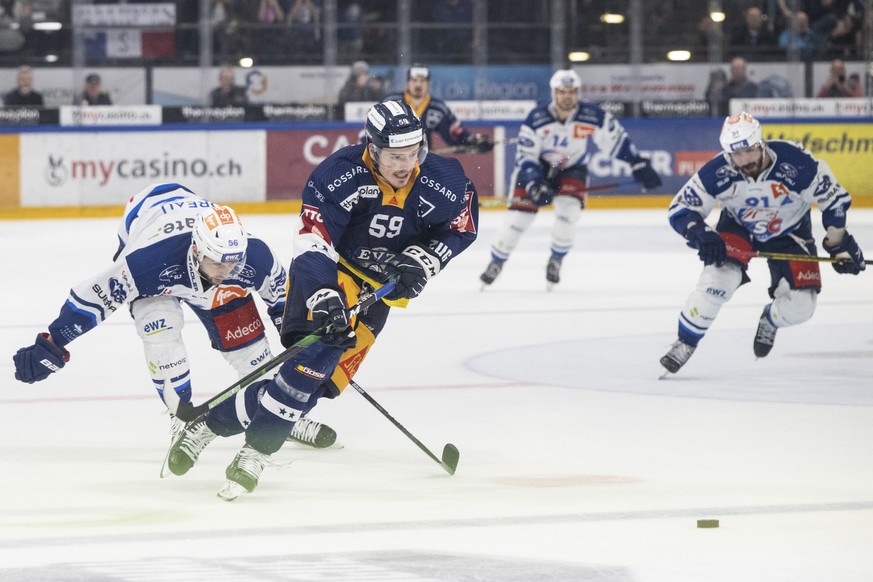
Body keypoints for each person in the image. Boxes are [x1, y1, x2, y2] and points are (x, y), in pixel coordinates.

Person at [165, 99, 480, 500]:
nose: (406, 165)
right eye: (395, 156)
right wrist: (326, 296)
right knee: (309, 368)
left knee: (317, 388)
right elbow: (313, 243)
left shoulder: (444, 177)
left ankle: (207, 426)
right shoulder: (336, 175)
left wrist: (426, 258)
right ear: (373, 147)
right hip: (331, 276)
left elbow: (462, 226)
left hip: (379, 293)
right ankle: (255, 453)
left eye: (413, 153)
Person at [12, 183, 335, 449]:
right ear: (196, 249)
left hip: (194, 244)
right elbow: (95, 297)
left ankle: (274, 412)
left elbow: (285, 301)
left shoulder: (254, 257)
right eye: (217, 262)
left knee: (253, 355)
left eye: (233, 263)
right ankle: (180, 418)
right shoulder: (148, 262)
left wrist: (300, 333)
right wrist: (53, 343)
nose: (226, 271)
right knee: (161, 337)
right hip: (153, 252)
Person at [659, 112, 866, 376]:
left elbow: (833, 199)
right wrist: (701, 233)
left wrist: (838, 243)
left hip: (790, 233)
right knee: (717, 282)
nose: (743, 160)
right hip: (738, 229)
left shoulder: (796, 162)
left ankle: (771, 318)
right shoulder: (718, 170)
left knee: (802, 308)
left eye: (748, 150)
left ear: (761, 142)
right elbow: (680, 209)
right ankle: (684, 343)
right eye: (736, 154)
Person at [478, 69, 661, 290]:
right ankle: (497, 261)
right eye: (562, 91)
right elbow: (525, 157)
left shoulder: (592, 114)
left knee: (568, 214)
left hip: (572, 168)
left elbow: (615, 140)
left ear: (578, 93)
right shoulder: (536, 118)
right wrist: (535, 183)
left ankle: (556, 261)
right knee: (518, 219)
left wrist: (637, 162)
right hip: (538, 168)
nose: (567, 96)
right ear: (554, 93)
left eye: (571, 91)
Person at [383, 64, 493, 154]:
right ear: (407, 83)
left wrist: (474, 142)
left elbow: (456, 134)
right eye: (414, 80)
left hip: (422, 163)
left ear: (429, 84)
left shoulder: (438, 108)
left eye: (422, 81)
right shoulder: (391, 102)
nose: (418, 84)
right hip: (392, 161)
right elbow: (375, 129)